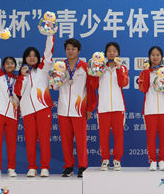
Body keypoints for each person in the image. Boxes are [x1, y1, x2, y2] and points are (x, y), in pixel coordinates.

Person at [14, 32, 55, 177]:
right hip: (27, 110)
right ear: (24, 58)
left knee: (44, 139)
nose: (31, 58)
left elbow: (48, 52)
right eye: (29, 56)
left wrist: (50, 35)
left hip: (43, 108)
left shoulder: (43, 69)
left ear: (38, 58)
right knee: (30, 140)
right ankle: (32, 166)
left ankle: (44, 167)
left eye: (34, 55)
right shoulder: (22, 74)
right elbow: (18, 92)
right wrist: (21, 76)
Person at [53, 38, 92, 179]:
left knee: (81, 140)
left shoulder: (85, 67)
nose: (70, 51)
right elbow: (54, 86)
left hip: (79, 108)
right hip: (63, 108)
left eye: (73, 49)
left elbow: (91, 89)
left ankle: (82, 166)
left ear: (78, 51)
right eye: (68, 49)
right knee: (66, 140)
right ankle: (68, 166)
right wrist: (59, 78)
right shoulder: (59, 66)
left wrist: (90, 108)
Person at [87, 42, 129, 171]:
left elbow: (123, 83)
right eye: (109, 51)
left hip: (118, 107)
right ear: (105, 53)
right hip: (103, 108)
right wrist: (94, 72)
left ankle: (117, 160)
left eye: (114, 51)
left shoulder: (122, 68)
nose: (112, 53)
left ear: (118, 53)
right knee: (103, 136)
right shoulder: (100, 68)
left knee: (118, 136)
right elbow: (94, 86)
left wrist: (118, 68)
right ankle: (105, 159)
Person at [138, 46, 164, 171]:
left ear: (161, 57)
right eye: (153, 55)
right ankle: (152, 161)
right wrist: (146, 72)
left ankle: (162, 161)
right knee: (151, 137)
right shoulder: (145, 72)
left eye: (158, 55)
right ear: (149, 57)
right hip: (150, 109)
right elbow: (143, 89)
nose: (155, 57)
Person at [0, 39, 19, 178]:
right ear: (3, 65)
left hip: (13, 114)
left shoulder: (19, 79)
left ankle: (11, 168)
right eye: (7, 63)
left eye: (12, 63)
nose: (9, 65)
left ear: (15, 65)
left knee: (12, 143)